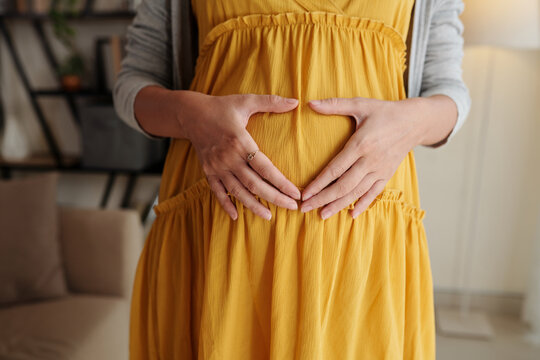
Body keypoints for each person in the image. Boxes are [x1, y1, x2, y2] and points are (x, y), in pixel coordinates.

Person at [113, 0, 471, 358]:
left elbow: (448, 92)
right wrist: (192, 116)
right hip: (220, 228)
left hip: (363, 231)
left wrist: (409, 123)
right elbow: (133, 87)